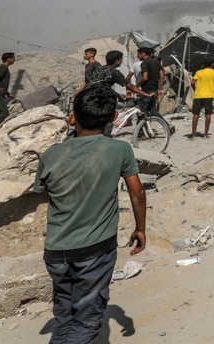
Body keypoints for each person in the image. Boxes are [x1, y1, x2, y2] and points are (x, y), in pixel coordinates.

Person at [33, 86, 146, 344]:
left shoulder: (51, 154)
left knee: (64, 313)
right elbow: (137, 193)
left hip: (56, 250)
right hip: (95, 250)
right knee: (86, 318)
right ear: (113, 117)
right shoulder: (120, 150)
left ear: (72, 117)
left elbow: (45, 192)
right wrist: (140, 229)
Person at [188, 57, 214, 139]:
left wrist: (195, 89)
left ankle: (193, 135)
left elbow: (192, 82)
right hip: (209, 96)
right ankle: (205, 135)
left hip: (198, 95)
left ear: (203, 64)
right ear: (212, 64)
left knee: (195, 114)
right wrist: (213, 88)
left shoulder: (199, 72)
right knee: (208, 114)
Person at [135, 47, 165, 120]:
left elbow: (145, 77)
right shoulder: (156, 61)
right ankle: (166, 125)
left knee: (144, 111)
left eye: (138, 54)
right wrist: (160, 88)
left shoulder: (145, 63)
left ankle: (141, 129)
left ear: (143, 54)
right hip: (154, 89)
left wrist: (136, 86)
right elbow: (162, 75)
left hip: (146, 90)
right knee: (151, 109)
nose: (137, 56)